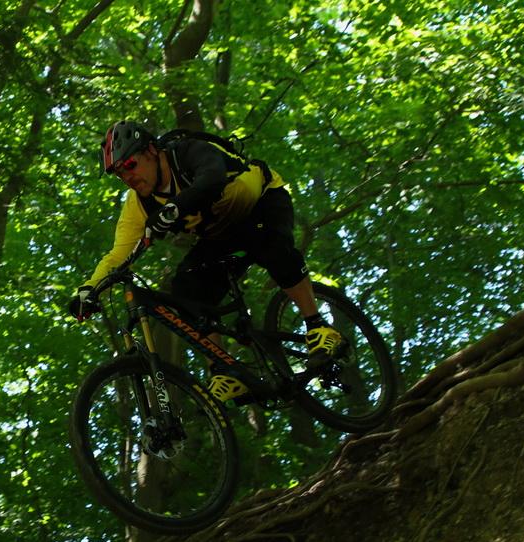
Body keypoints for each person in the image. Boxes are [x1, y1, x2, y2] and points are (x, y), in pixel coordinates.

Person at [69, 120, 342, 403]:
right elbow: (119, 254)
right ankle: (224, 370)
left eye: (130, 165)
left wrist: (176, 206)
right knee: (186, 289)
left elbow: (212, 177)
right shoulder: (138, 204)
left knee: (269, 244)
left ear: (151, 150)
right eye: (119, 174)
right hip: (223, 235)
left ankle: (318, 326)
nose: (128, 177)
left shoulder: (187, 152)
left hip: (262, 201)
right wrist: (90, 288)